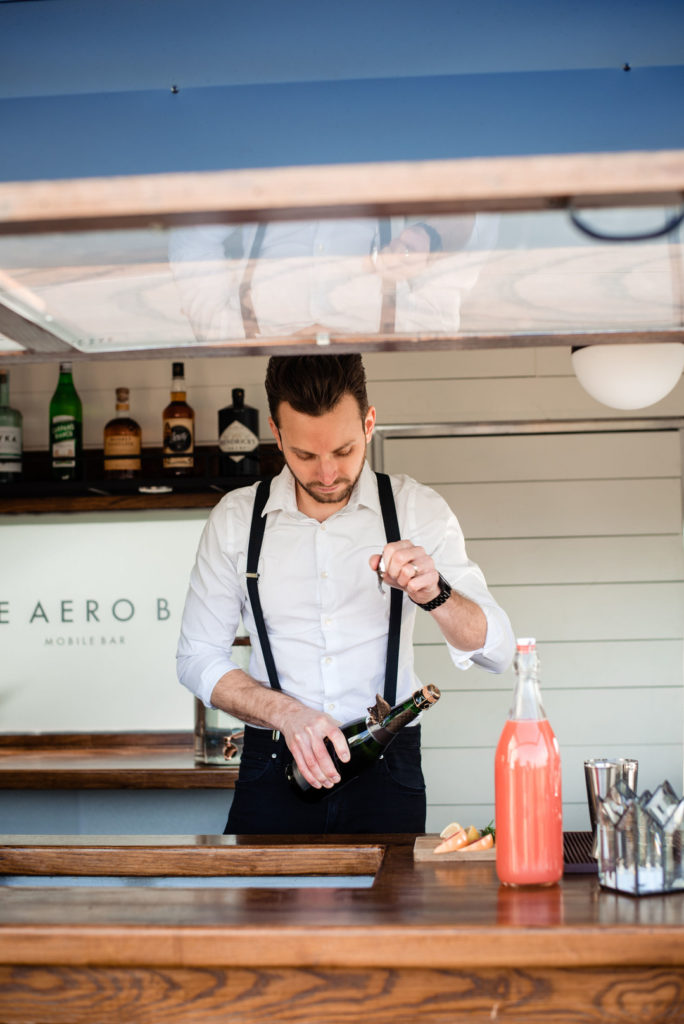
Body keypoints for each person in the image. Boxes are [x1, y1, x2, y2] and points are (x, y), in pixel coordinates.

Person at [177, 354, 514, 834]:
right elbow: (196, 658)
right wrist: (287, 714)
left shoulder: (416, 509)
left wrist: (436, 593)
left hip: (389, 770)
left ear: (370, 422)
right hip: (272, 767)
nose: (328, 473)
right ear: (276, 433)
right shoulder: (235, 520)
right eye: (305, 455)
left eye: (344, 450)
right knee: (262, 911)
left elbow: (497, 652)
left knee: (389, 910)